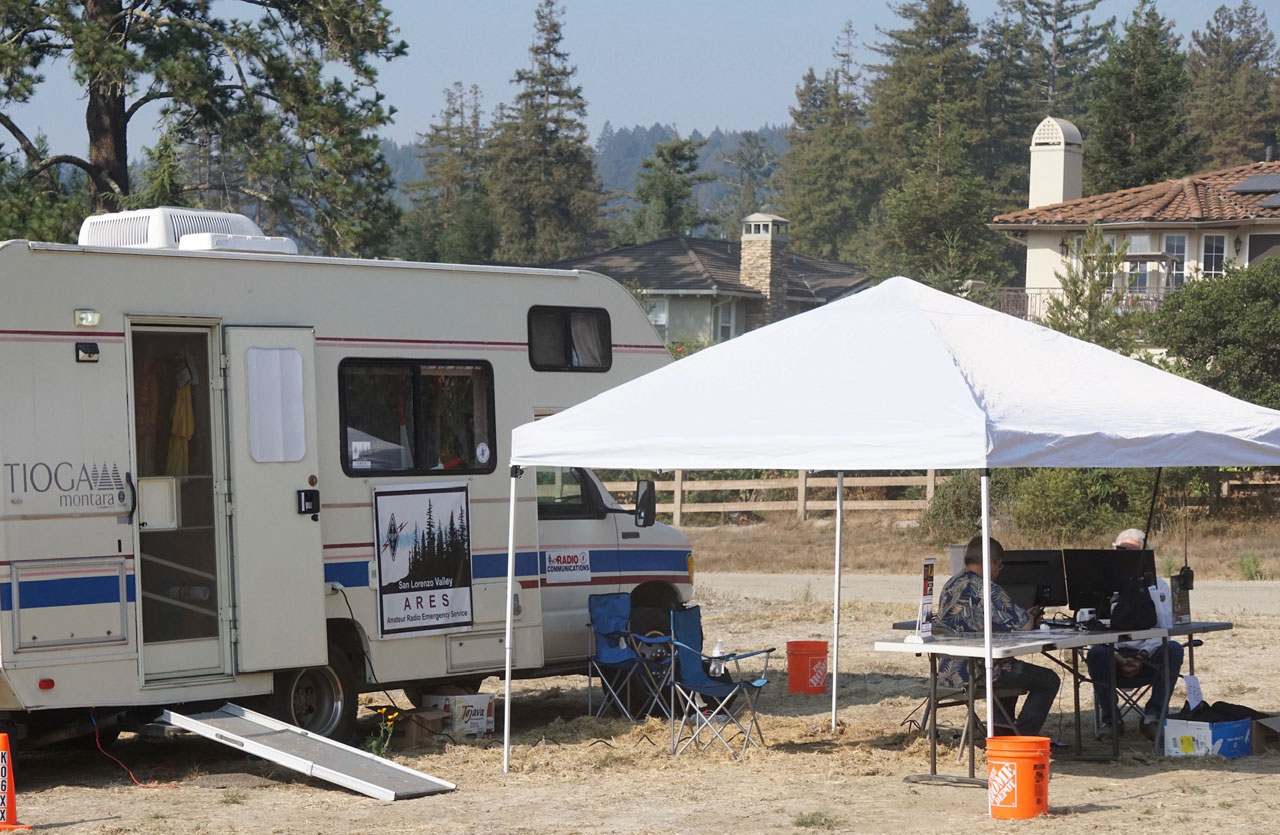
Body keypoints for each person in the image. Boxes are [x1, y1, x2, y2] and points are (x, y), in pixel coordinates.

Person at [936, 535, 1062, 737]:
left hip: (948, 673)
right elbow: (1025, 626)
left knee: (1010, 666)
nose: (998, 572)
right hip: (981, 673)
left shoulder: (951, 585)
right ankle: (1024, 735)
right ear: (990, 562)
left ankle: (1003, 730)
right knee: (1048, 679)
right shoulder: (989, 589)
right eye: (999, 566)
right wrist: (1030, 616)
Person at [1085, 528, 1184, 740]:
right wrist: (1118, 657)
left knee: (1173, 650)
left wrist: (1141, 657)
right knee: (1096, 653)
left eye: (1131, 552)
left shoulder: (1160, 587)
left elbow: (1163, 629)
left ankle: (1154, 716)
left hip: (1147, 659)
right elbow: (1088, 628)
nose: (1124, 556)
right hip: (1111, 657)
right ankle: (1110, 721)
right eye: (1120, 550)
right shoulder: (1100, 586)